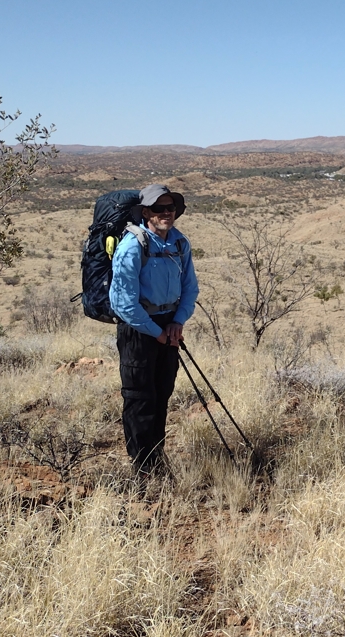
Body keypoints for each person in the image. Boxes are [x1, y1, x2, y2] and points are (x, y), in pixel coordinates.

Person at [109, 184, 199, 477]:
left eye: (170, 208)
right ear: (146, 212)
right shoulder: (131, 246)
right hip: (138, 331)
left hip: (169, 328)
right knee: (140, 398)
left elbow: (190, 288)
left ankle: (156, 458)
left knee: (162, 394)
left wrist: (177, 322)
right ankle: (142, 468)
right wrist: (156, 333)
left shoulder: (180, 243)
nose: (166, 213)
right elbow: (123, 303)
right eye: (159, 208)